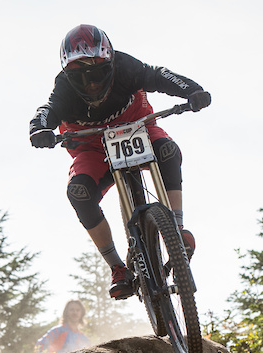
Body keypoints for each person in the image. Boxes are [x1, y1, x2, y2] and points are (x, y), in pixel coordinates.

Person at [29, 24, 211, 300]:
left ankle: (177, 229)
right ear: (68, 75)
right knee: (79, 192)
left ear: (111, 63)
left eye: (98, 73)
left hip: (138, 127)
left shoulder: (127, 66)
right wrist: (39, 130)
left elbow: (159, 76)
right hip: (92, 147)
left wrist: (193, 91)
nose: (91, 83)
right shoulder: (64, 87)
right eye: (81, 77)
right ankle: (117, 267)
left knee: (168, 151)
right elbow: (48, 110)